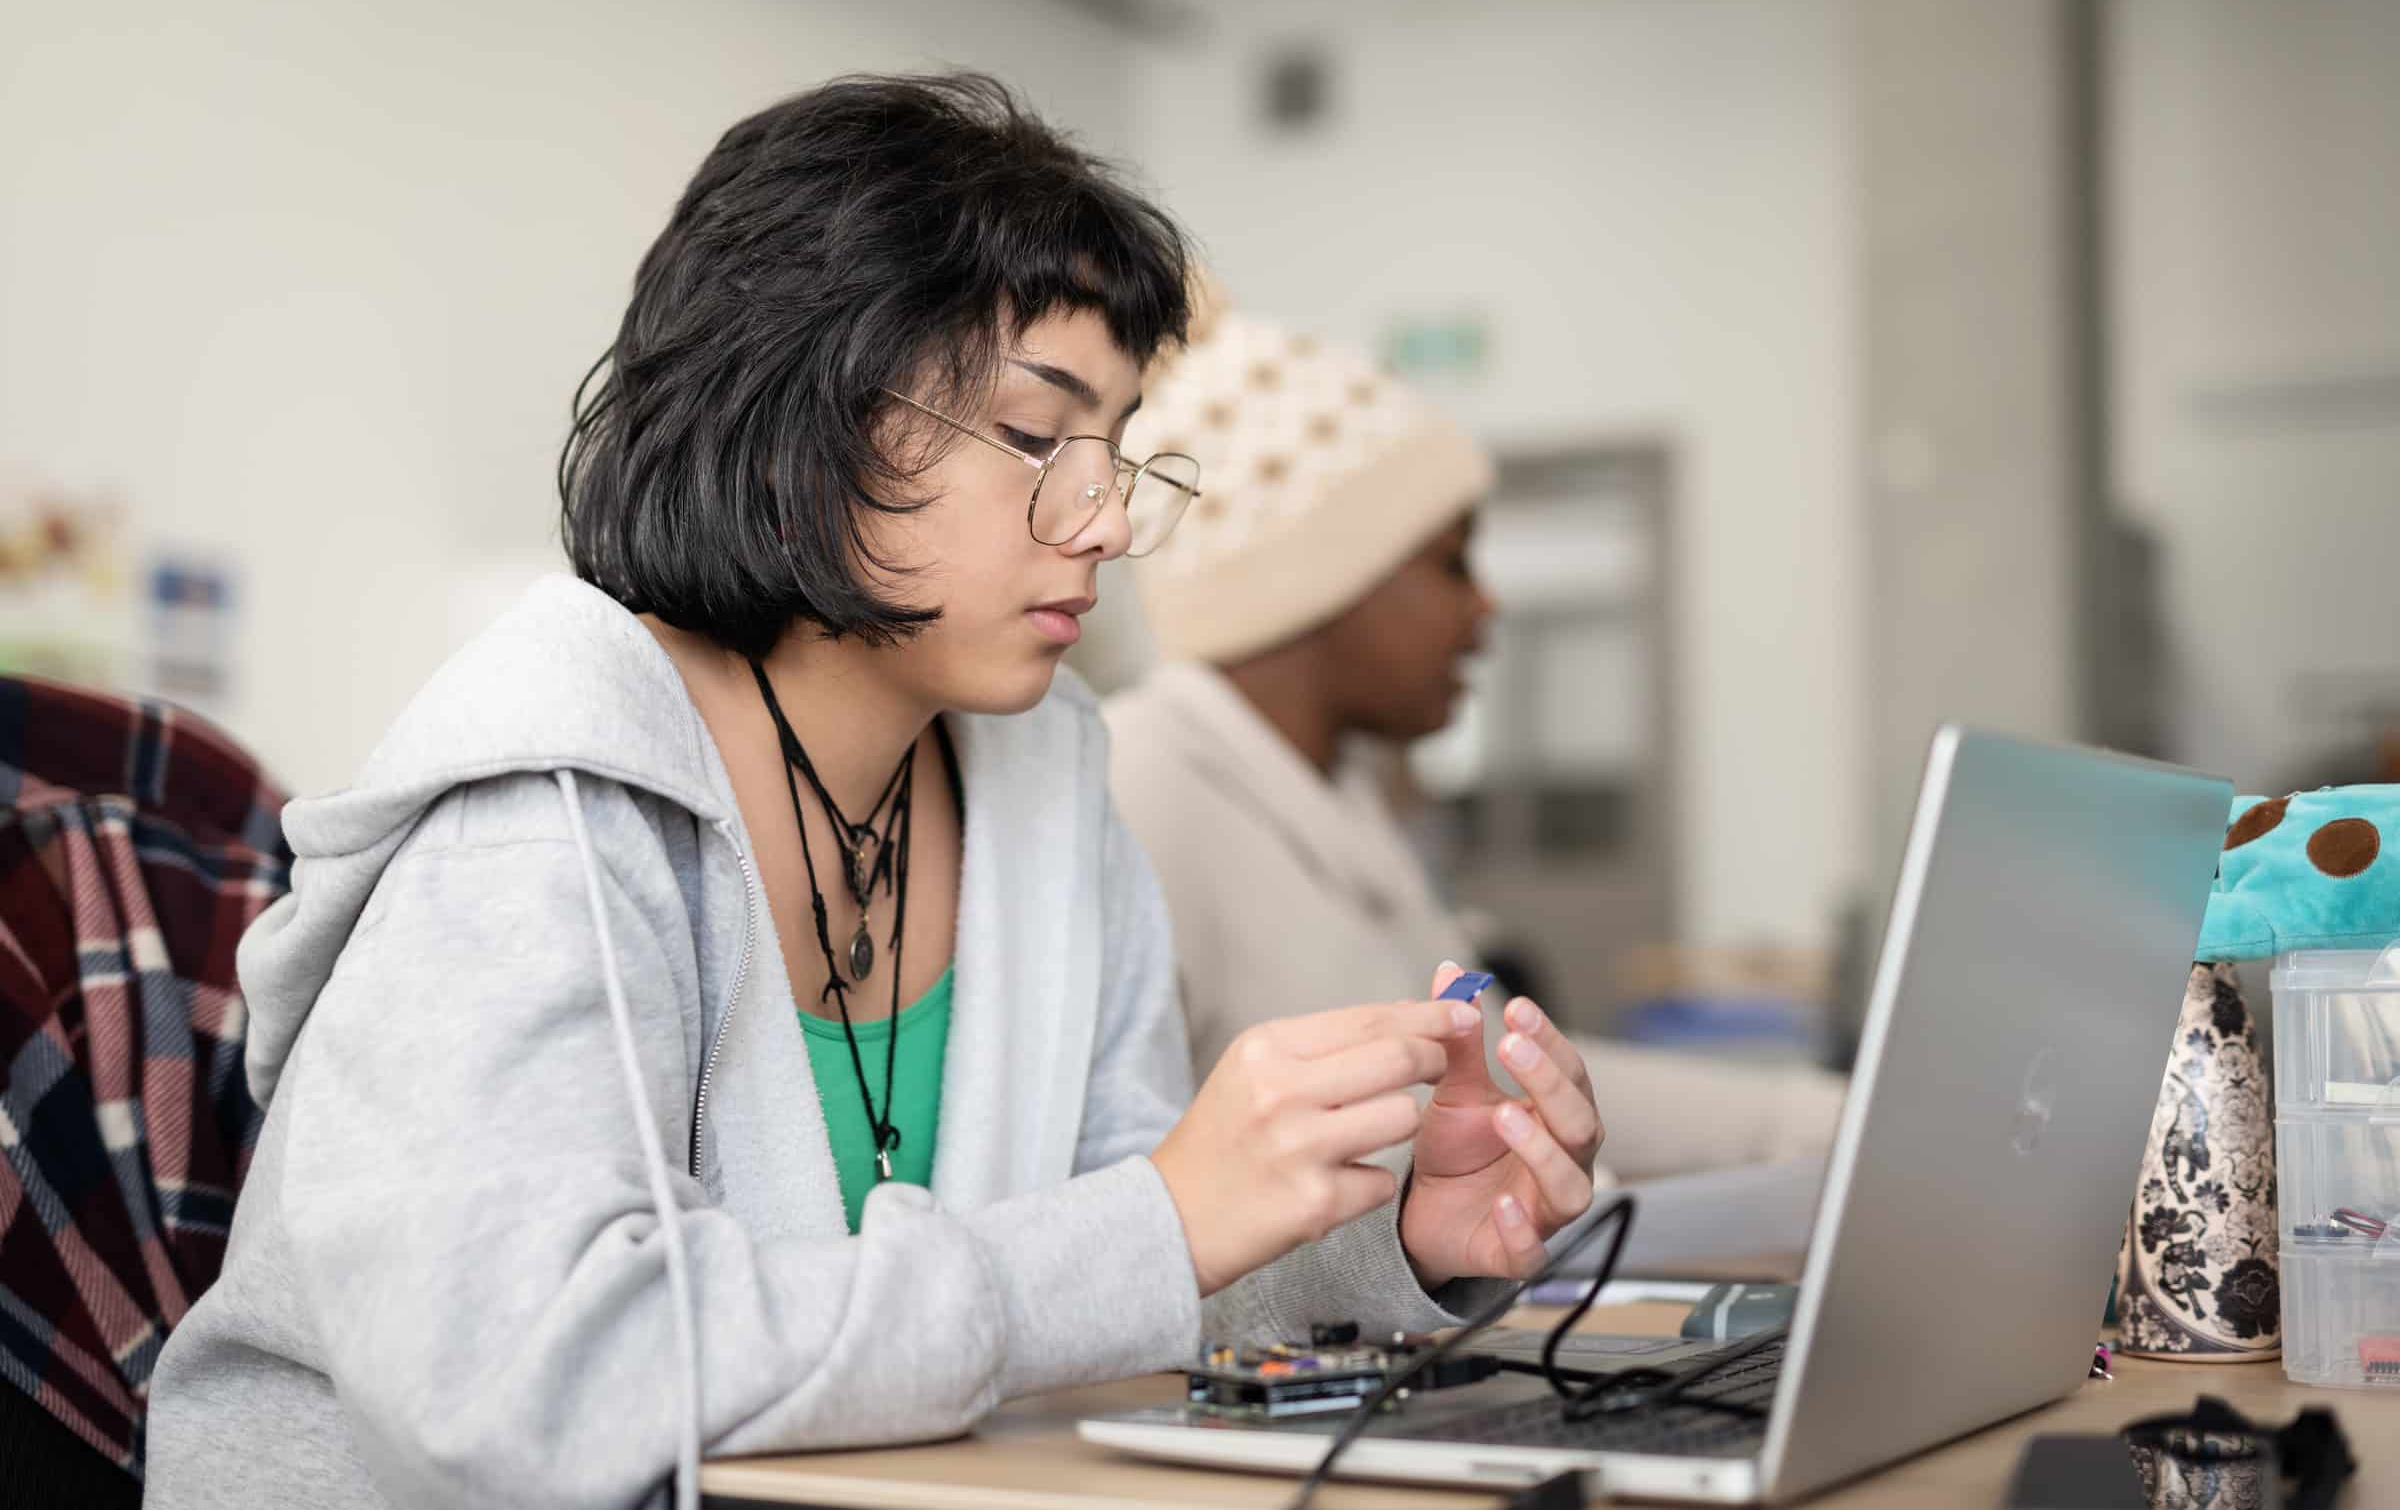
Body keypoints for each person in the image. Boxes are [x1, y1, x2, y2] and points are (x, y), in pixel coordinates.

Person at [144, 77, 1602, 1510]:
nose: (1104, 517)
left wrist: (1394, 1236)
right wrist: (1158, 1220)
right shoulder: (538, 815)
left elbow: (1122, 1271)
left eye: (1118, 445)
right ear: (803, 421)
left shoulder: (1048, 789)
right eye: (1039, 437)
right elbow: (532, 1393)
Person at [1104, 301, 1843, 1185]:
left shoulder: (1339, 799)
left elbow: (1511, 1083)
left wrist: (1818, 1121)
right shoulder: (1138, 795)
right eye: (1452, 563)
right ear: (1322, 582)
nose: (1485, 607)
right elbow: (1142, 1215)